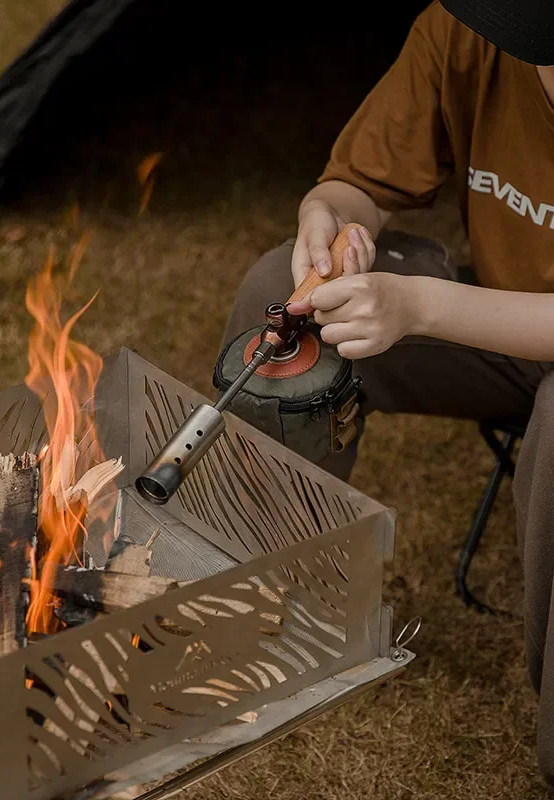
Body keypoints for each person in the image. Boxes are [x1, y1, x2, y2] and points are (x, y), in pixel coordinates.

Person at [222, 0, 554, 789]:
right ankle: (267, 599)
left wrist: (419, 306)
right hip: (503, 328)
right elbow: (358, 182)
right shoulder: (474, 32)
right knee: (279, 287)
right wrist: (328, 220)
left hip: (492, 326)